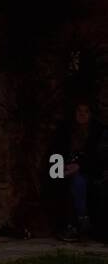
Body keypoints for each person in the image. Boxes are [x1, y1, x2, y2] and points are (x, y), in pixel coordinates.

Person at [51, 100, 103, 242]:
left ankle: (81, 220)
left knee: (78, 182)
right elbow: (56, 151)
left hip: (89, 171)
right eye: (79, 110)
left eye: (85, 111)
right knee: (58, 182)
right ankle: (68, 226)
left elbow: (99, 156)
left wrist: (80, 166)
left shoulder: (98, 132)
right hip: (66, 168)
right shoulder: (65, 130)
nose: (82, 114)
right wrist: (60, 167)